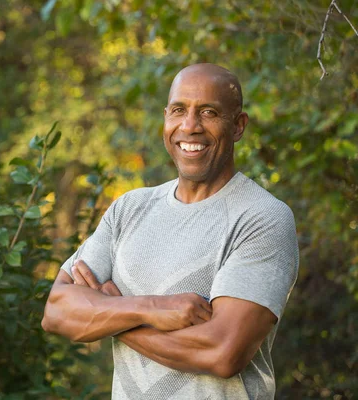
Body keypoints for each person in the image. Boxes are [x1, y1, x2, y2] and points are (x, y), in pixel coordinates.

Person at [41, 63, 299, 399]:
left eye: (208, 112)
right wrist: (149, 309)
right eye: (179, 110)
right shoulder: (128, 209)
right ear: (166, 118)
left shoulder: (262, 217)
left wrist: (111, 315)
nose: (190, 126)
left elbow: (222, 353)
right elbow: (56, 311)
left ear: (237, 125)